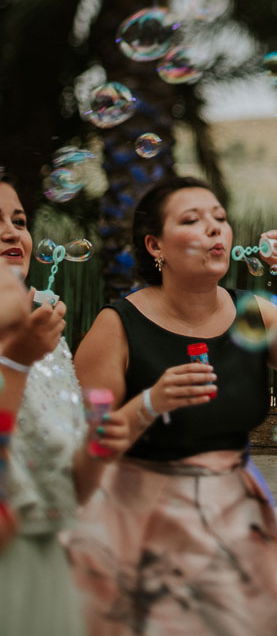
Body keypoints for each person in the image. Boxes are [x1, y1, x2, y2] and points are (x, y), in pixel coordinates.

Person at [64, 176, 277, 636]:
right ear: (154, 245)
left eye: (220, 219)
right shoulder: (116, 327)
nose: (214, 229)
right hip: (145, 525)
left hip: (237, 516)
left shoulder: (253, 314)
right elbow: (85, 456)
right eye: (192, 220)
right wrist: (148, 404)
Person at [0, 175, 130, 635]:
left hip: (51, 565)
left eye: (18, 220)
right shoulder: (27, 345)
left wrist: (101, 444)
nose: (11, 232)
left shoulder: (47, 336)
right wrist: (15, 362)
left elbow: (70, 483)